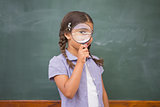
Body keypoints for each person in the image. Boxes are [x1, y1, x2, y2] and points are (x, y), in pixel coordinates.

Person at [48, 11, 109, 107]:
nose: (88, 37)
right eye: (82, 32)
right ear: (67, 34)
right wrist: (80, 61)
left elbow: (103, 94)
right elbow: (69, 93)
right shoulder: (58, 62)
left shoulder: (94, 61)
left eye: (90, 33)